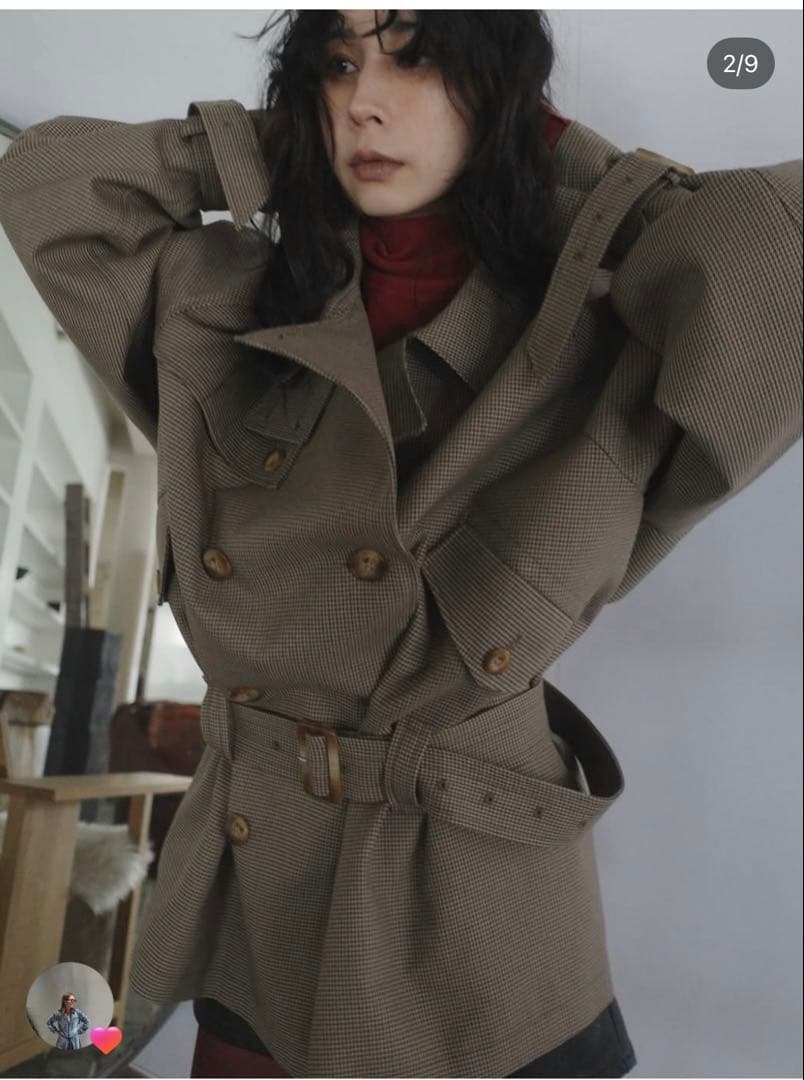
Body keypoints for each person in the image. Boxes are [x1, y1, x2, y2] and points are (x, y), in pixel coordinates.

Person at [0, 9, 800, 1079]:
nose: (364, 103)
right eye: (337, 65)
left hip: (467, 896)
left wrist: (565, 164)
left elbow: (779, 253)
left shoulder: (598, 329)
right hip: (261, 871)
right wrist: (277, 142)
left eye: (416, 59)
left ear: (501, 91)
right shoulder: (228, 303)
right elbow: (48, 185)